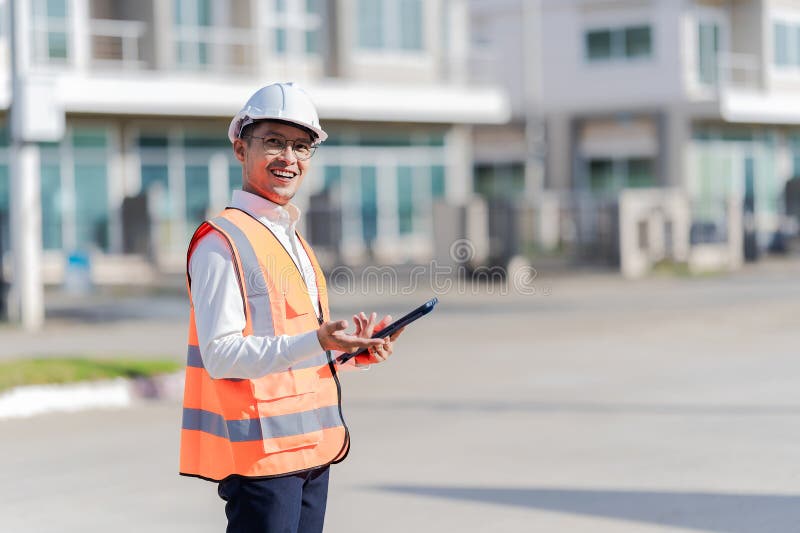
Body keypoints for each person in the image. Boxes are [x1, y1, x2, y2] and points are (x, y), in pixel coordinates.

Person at [179, 82, 404, 533]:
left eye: (301, 146)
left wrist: (350, 352)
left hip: (312, 451)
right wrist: (318, 339)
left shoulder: (291, 239)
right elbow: (223, 355)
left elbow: (292, 350)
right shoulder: (221, 242)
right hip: (263, 459)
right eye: (275, 142)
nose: (289, 158)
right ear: (241, 148)